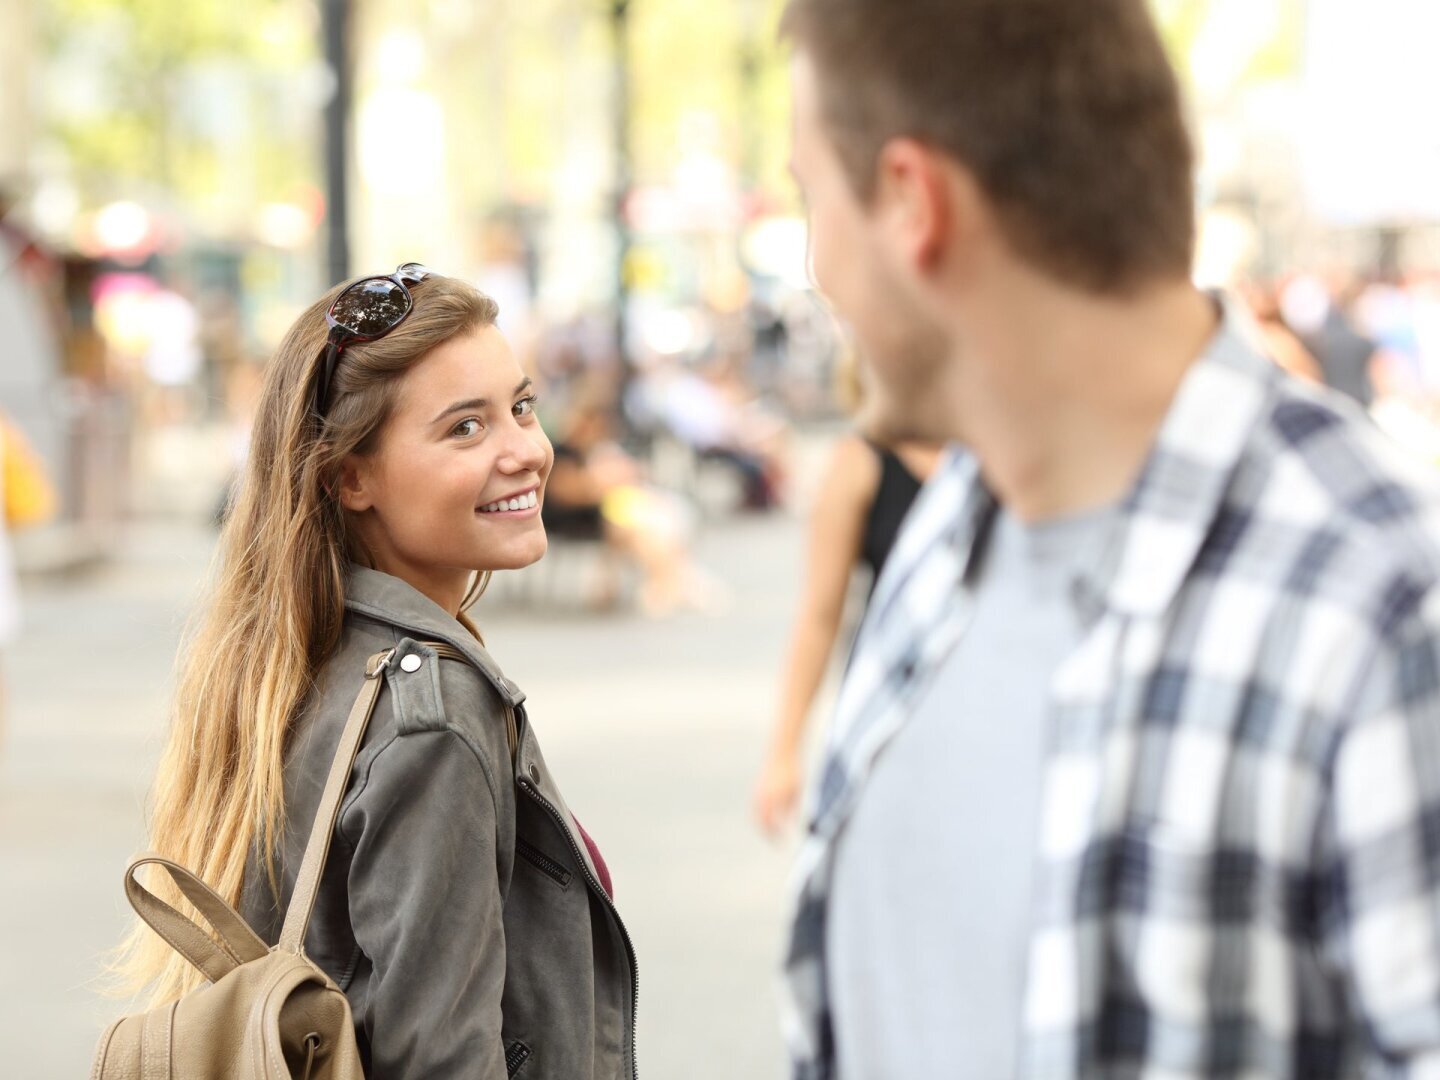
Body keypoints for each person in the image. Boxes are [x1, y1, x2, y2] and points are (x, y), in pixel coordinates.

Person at [778, 2, 1440, 1078]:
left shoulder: (1386, 611)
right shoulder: (946, 542)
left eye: (811, 197)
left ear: (911, 200)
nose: (814, 267)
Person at [112, 266, 638, 1079]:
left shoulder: (297, 655)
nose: (526, 452)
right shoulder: (433, 715)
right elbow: (441, 1059)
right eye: (465, 429)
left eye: (522, 407)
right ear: (350, 477)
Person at [753, 355, 941, 836]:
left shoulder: (991, 447)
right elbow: (820, 614)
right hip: (894, 695)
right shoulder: (860, 460)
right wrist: (784, 752)